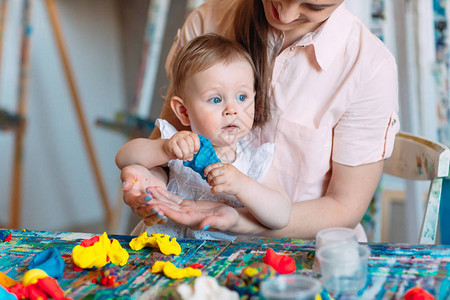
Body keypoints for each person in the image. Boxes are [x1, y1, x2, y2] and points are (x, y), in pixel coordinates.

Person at [121, 0, 399, 242]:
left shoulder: (369, 66)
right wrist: (148, 184)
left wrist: (238, 221)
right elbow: (163, 154)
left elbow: (343, 208)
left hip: (303, 251)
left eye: (314, 6)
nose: (285, 15)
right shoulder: (210, 19)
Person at [116, 34, 291, 240]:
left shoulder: (254, 161)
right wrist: (163, 149)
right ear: (183, 111)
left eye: (241, 97)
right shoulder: (178, 144)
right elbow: (123, 158)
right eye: (216, 99)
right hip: (158, 249)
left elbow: (281, 216)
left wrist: (242, 185)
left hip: (216, 263)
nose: (232, 109)